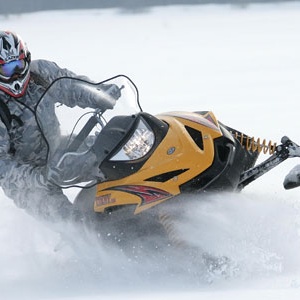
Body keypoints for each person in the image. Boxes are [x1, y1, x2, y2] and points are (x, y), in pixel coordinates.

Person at [0, 30, 120, 223]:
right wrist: (38, 177)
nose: (15, 73)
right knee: (70, 223)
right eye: (6, 69)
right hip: (27, 182)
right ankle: (87, 249)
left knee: (116, 152)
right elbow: (2, 166)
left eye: (18, 65)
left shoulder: (40, 73)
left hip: (60, 152)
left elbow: (71, 86)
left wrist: (100, 93)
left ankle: (132, 209)